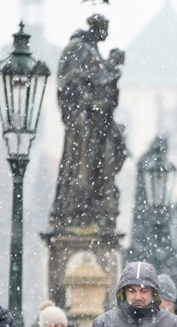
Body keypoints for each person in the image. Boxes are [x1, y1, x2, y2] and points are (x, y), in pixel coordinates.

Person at [50, 14, 127, 228]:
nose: (107, 32)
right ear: (97, 27)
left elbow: (99, 81)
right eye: (105, 27)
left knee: (112, 150)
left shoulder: (91, 50)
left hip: (97, 122)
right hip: (85, 122)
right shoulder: (80, 48)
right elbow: (75, 83)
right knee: (83, 161)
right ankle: (80, 204)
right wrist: (90, 100)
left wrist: (110, 69)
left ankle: (96, 200)